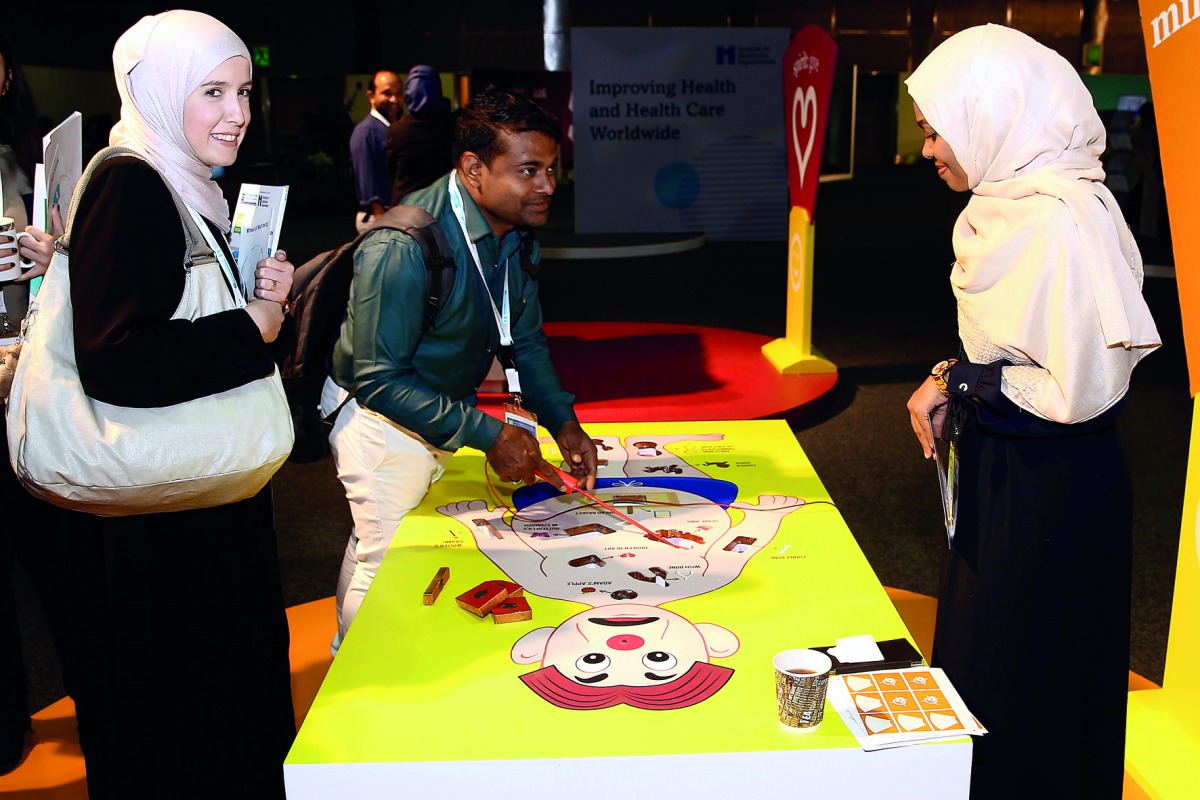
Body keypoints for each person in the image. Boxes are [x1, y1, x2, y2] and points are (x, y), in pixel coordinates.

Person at [903, 24, 1160, 799]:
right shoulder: (1000, 208)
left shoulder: (1059, 219)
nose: (926, 151)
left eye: (933, 129)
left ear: (993, 112)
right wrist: (954, 375)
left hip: (1053, 487)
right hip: (1002, 468)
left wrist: (962, 383)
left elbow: (1074, 389)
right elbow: (1014, 357)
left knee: (1033, 676)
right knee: (989, 666)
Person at [56, 12, 296, 796]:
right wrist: (249, 327)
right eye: (213, 92)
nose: (237, 112)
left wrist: (258, 305)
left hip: (191, 507)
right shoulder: (132, 184)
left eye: (246, 91)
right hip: (162, 533)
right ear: (156, 93)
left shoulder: (177, 181)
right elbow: (117, 358)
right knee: (183, 729)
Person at [321, 87, 598, 653]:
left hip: (436, 407)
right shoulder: (402, 245)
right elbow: (377, 380)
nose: (547, 186)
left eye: (552, 169)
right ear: (474, 169)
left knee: (374, 536)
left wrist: (563, 421)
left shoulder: (514, 234)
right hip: (378, 419)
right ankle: (359, 683)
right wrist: (488, 432)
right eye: (529, 170)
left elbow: (525, 338)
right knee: (387, 560)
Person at [0, 30, 70, 775]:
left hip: (32, 374)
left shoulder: (34, 153)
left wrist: (55, 258)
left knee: (57, 551)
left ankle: (91, 686)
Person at [386, 65, 454, 207]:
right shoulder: (452, 125)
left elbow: (390, 171)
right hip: (441, 204)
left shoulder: (397, 131)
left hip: (405, 207)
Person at [349, 69, 401, 233]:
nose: (394, 99)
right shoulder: (366, 131)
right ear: (371, 96)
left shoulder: (391, 127)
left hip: (392, 215)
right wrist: (382, 222)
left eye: (398, 94)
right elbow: (367, 183)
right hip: (378, 218)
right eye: (386, 93)